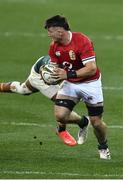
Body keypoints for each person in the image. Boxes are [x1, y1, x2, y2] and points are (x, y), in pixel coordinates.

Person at [0, 55, 89, 147]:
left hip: (51, 72)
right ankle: (72, 126)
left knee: (23, 89)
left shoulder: (73, 61)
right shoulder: (49, 71)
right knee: (62, 102)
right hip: (38, 74)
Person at [44, 15, 111, 159]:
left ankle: (103, 146)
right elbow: (55, 67)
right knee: (60, 115)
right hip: (71, 83)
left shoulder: (82, 41)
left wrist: (67, 75)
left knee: (97, 123)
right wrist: (51, 76)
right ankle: (82, 122)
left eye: (50, 31)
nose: (48, 34)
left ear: (60, 31)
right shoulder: (54, 46)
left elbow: (91, 68)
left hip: (90, 83)